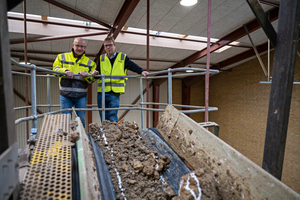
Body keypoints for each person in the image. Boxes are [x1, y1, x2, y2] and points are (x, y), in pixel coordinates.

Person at [92, 36, 149, 122]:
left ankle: (113, 134)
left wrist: (141, 71)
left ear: (115, 45)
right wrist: (95, 73)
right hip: (102, 92)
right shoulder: (102, 58)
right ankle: (105, 134)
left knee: (112, 116)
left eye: (110, 45)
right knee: (103, 116)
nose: (108, 47)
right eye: (106, 46)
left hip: (114, 93)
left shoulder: (122, 57)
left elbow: (132, 65)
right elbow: (98, 71)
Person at [53, 37, 96, 127]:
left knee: (80, 121)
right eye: (77, 46)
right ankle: (67, 141)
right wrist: (65, 71)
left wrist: (87, 75)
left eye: (82, 46)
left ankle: (80, 141)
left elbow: (93, 79)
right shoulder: (61, 57)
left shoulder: (90, 63)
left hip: (81, 96)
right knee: (65, 121)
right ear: (73, 46)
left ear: (85, 47)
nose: (79, 48)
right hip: (65, 95)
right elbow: (55, 70)